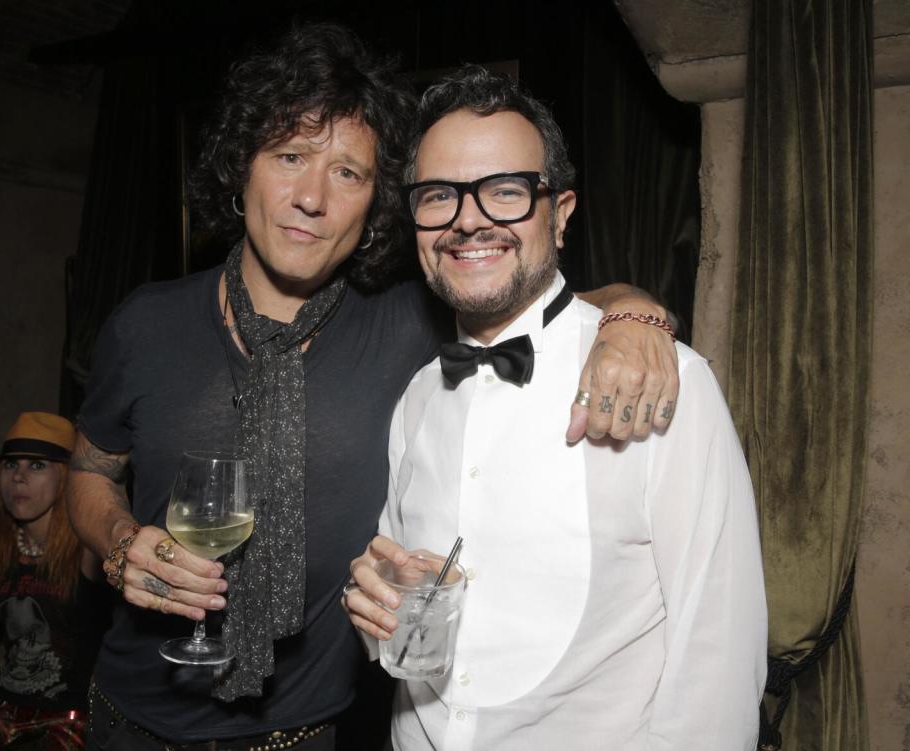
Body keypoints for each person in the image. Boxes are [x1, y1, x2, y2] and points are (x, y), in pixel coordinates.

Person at [66, 24, 680, 751]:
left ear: (375, 204)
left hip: (301, 737)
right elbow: (88, 470)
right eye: (289, 156)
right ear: (242, 168)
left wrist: (635, 312)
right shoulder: (146, 324)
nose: (311, 198)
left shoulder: (408, 325)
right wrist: (121, 540)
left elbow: (541, 297)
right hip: (127, 722)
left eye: (348, 173)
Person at [344, 66, 768, 750]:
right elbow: (405, 626)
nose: (469, 219)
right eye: (438, 197)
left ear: (561, 213)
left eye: (506, 192)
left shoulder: (665, 383)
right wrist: (379, 606)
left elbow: (717, 671)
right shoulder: (417, 397)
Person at [0, 412, 104, 751]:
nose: (18, 478)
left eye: (36, 465)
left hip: (68, 719)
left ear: (65, 478)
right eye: (10, 465)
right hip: (0, 706)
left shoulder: (88, 546)